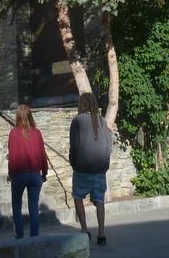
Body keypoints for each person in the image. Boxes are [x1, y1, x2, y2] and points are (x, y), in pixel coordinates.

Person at [69, 91, 112, 246]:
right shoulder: (103, 122)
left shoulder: (77, 121)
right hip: (100, 168)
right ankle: (102, 233)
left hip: (82, 167)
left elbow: (74, 145)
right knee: (100, 200)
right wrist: (105, 165)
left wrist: (73, 162)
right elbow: (108, 147)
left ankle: (85, 229)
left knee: (78, 196)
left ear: (81, 105)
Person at [6, 104, 49, 238]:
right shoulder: (36, 133)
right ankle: (34, 235)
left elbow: (12, 155)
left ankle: (19, 234)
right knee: (33, 206)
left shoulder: (13, 133)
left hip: (19, 174)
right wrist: (44, 172)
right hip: (34, 174)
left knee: (17, 205)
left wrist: (10, 172)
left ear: (17, 116)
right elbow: (42, 154)